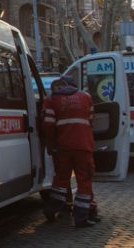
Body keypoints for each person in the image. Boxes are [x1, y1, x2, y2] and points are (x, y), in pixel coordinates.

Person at [42, 75, 99, 228]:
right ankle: (81, 217)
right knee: (84, 181)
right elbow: (91, 120)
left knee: (61, 180)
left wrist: (51, 145)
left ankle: (51, 209)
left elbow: (48, 126)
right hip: (83, 146)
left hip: (63, 147)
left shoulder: (51, 100)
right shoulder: (86, 97)